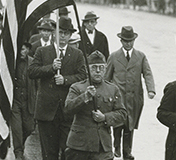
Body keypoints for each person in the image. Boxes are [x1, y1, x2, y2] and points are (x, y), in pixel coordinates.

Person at [29, 17, 87, 160]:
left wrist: (66, 80)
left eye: (66, 33)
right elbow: (32, 72)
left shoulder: (77, 54)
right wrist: (51, 68)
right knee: (49, 154)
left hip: (67, 112)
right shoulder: (42, 51)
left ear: (70, 35)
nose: (62, 36)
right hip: (46, 112)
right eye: (60, 32)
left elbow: (83, 76)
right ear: (54, 33)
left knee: (68, 152)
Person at [64, 50, 127, 160]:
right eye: (94, 67)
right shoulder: (77, 87)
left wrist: (105, 117)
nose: (98, 71)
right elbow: (68, 109)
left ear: (105, 69)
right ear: (87, 69)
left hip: (102, 147)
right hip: (79, 146)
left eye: (101, 67)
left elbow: (122, 114)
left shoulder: (113, 89)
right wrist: (85, 97)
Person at [104, 26, 155, 160]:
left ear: (134, 40)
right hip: (117, 97)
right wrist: (104, 92)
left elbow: (147, 73)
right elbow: (106, 77)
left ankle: (127, 151)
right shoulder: (114, 56)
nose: (128, 43)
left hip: (134, 97)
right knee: (117, 123)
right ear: (121, 41)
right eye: (125, 41)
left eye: (130, 41)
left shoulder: (141, 56)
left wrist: (151, 90)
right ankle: (116, 146)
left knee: (129, 125)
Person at [11, 42, 37, 160]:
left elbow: (37, 82)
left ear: (28, 50)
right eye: (20, 49)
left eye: (24, 49)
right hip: (15, 100)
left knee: (29, 127)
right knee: (17, 128)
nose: (22, 52)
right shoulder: (12, 62)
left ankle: (20, 145)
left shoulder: (32, 62)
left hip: (28, 99)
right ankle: (18, 153)